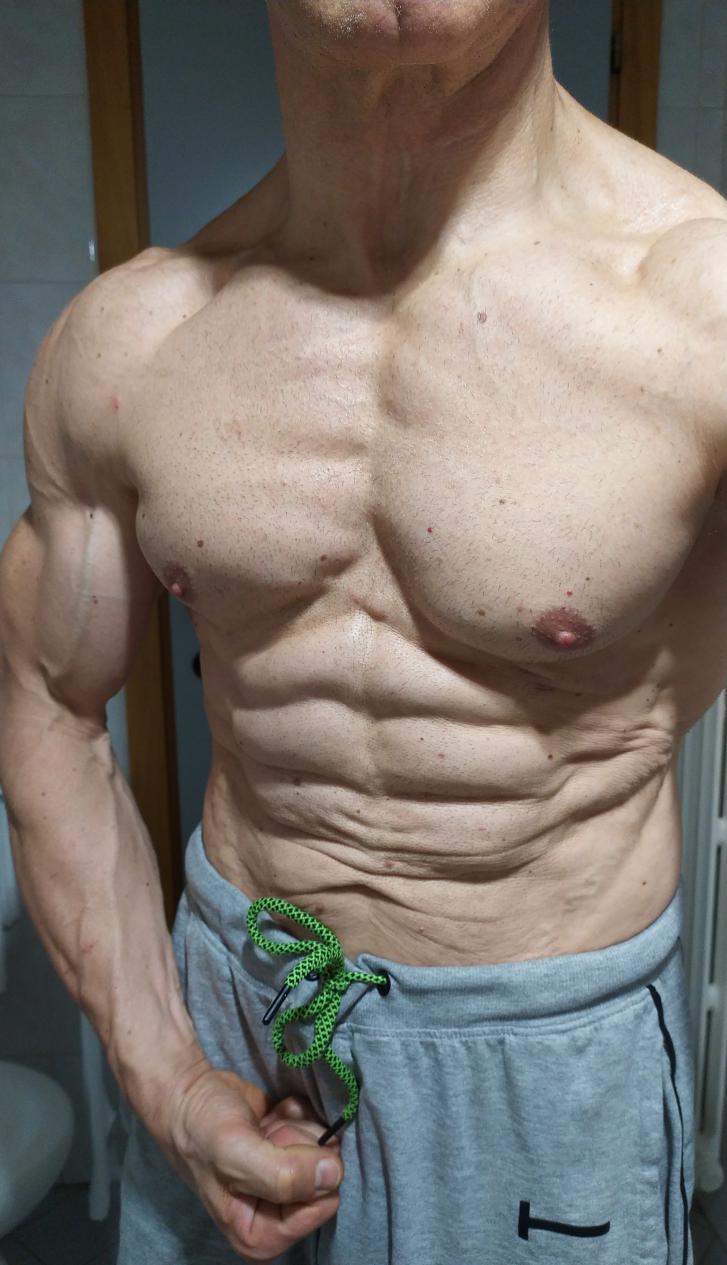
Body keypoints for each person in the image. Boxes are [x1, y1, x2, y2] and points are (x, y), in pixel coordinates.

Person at [0, 0, 726, 1261]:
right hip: (231, 1018)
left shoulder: (701, 308)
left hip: (541, 1065)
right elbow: (45, 702)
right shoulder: (132, 338)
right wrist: (166, 1074)